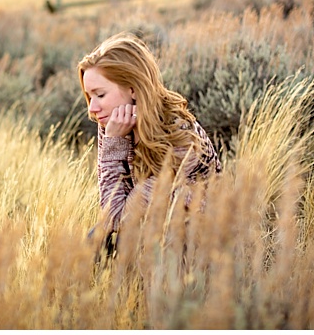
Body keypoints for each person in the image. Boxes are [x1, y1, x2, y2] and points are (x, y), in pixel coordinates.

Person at [79, 32, 220, 234]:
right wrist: (114, 141)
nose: (92, 108)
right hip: (149, 231)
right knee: (94, 241)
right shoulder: (113, 125)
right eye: (89, 96)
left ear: (134, 89)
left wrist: (113, 146)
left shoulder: (179, 136)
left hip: (198, 241)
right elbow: (111, 216)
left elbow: (118, 219)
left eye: (100, 95)